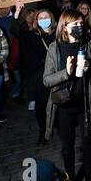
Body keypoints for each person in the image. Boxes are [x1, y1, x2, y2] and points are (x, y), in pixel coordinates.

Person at [43, 9, 91, 181]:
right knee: (67, 146)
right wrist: (66, 73)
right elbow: (46, 80)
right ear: (64, 27)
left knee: (88, 144)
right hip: (64, 104)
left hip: (86, 103)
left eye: (81, 23)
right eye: (75, 24)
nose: (80, 26)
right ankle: (70, 178)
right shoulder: (55, 48)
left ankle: (89, 180)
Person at [27, 9, 57, 145]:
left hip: (58, 72)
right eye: (41, 17)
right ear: (37, 21)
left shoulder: (58, 34)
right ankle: (43, 130)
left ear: (51, 18)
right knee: (41, 104)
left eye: (46, 17)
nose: (44, 19)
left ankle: (58, 125)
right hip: (41, 75)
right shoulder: (32, 36)